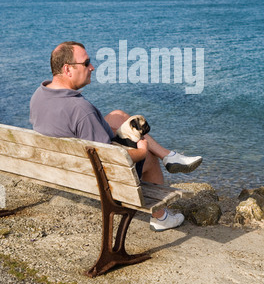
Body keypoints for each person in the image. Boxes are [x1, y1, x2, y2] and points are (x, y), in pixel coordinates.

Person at [30, 41, 203, 232]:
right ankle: (160, 217)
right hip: (90, 176)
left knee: (118, 115)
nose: (92, 67)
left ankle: (169, 156)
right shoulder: (80, 109)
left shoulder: (40, 94)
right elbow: (109, 160)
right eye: (86, 63)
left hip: (60, 165)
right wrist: (142, 152)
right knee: (151, 159)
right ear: (67, 69)